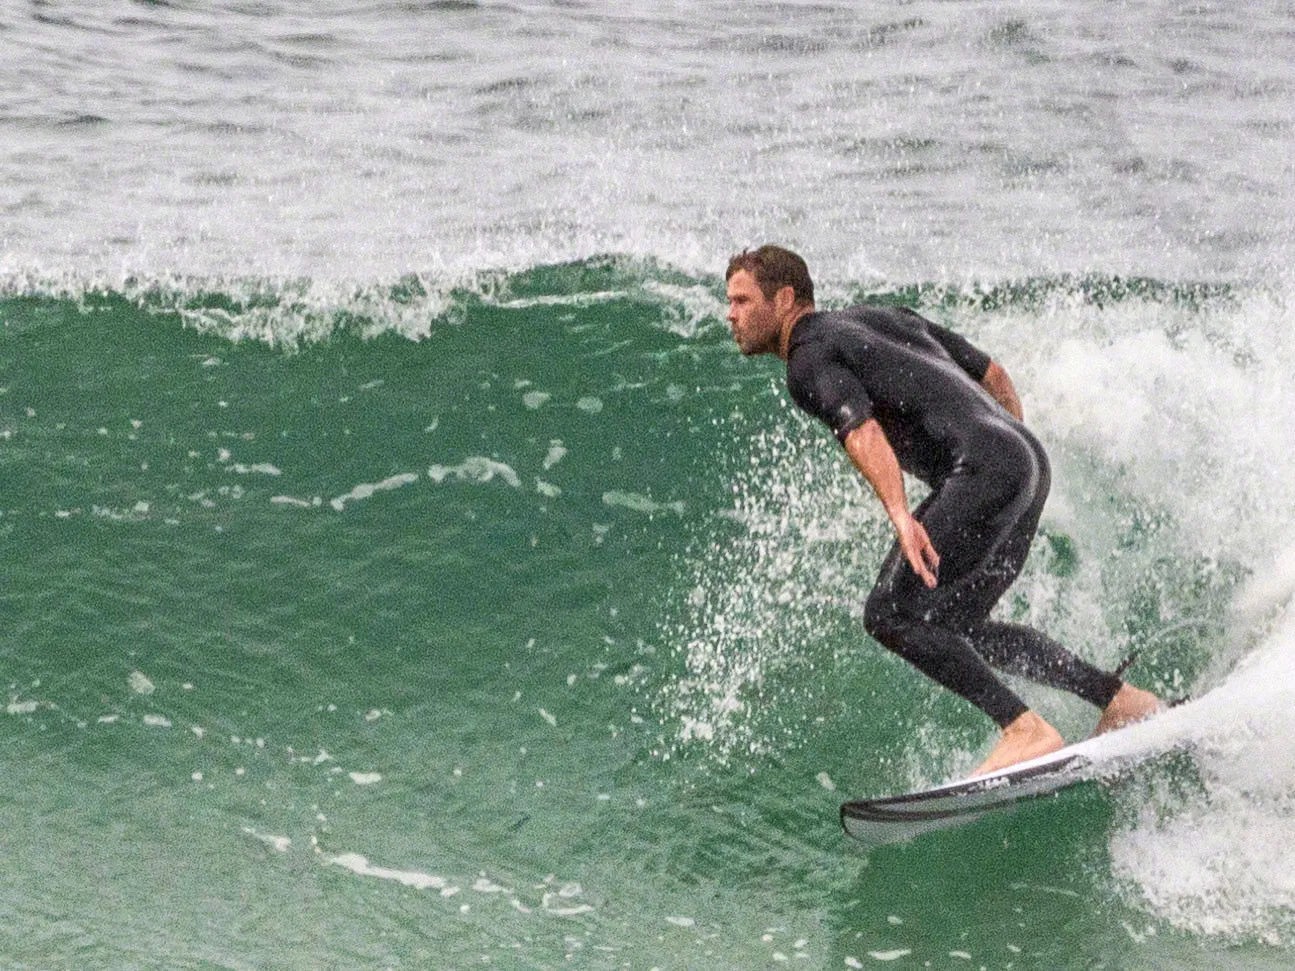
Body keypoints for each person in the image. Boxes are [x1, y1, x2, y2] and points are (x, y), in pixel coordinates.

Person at [724, 245, 1161, 776]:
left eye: (743, 300)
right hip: (1027, 461)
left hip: (984, 469)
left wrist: (902, 515)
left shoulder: (807, 356)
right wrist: (1012, 457)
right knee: (958, 625)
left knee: (889, 614)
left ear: (786, 298)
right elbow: (993, 374)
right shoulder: (884, 319)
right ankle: (1119, 699)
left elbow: (860, 430)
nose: (731, 315)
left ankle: (1025, 730)